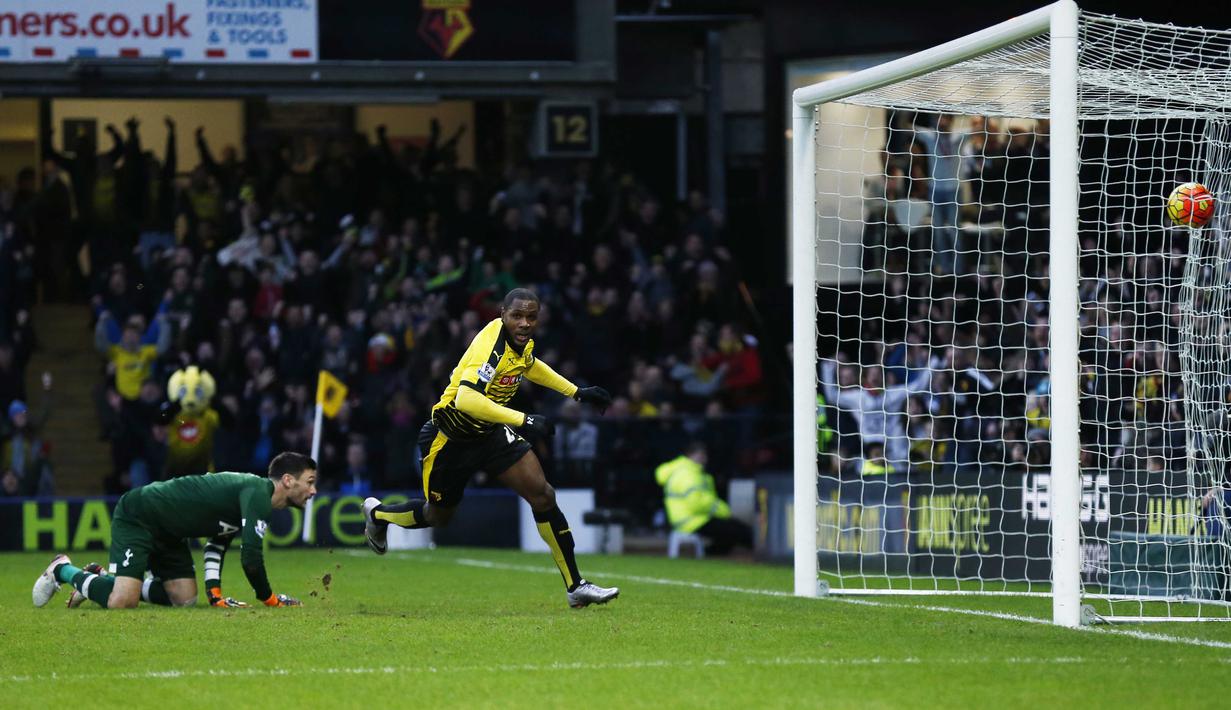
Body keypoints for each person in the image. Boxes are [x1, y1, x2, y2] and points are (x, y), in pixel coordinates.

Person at [362, 288, 619, 608]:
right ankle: (378, 514)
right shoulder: (491, 346)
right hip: (450, 438)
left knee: (542, 494)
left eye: (531, 317)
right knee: (437, 516)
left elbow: (529, 365)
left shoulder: (521, 344)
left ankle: (575, 586)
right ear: (502, 314)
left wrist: (576, 392)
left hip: (489, 434)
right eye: (517, 316)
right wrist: (524, 419)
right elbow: (466, 399)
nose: (525, 323)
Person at [32, 452, 317, 609]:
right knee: (123, 601)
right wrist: (270, 599)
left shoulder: (253, 496)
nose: (313, 490)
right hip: (140, 515)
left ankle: (102, 579)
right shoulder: (257, 494)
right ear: (288, 480)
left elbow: (216, 545)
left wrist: (214, 595)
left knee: (184, 599)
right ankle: (63, 570)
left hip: (169, 534)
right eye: (310, 482)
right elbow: (251, 559)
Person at [655, 441, 752, 556]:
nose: (705, 459)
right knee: (738, 531)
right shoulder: (687, 474)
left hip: (693, 519)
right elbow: (697, 503)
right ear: (691, 455)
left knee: (733, 531)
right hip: (693, 521)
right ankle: (762, 554)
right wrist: (725, 511)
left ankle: (709, 554)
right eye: (702, 455)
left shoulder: (690, 471)